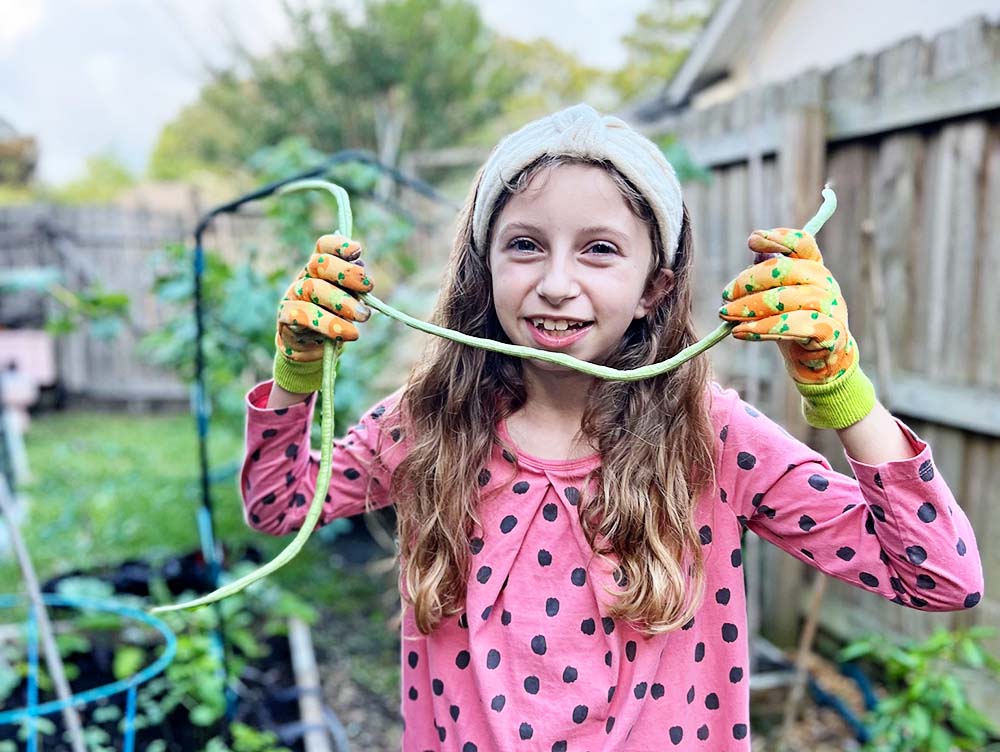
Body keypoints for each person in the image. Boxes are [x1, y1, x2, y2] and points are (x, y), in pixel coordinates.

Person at [240, 104, 983, 751]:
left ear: (654, 285)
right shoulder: (431, 422)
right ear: (485, 268)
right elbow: (277, 503)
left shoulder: (710, 437)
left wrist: (840, 389)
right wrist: (299, 372)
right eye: (525, 244)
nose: (556, 282)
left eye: (599, 249)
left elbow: (940, 577)